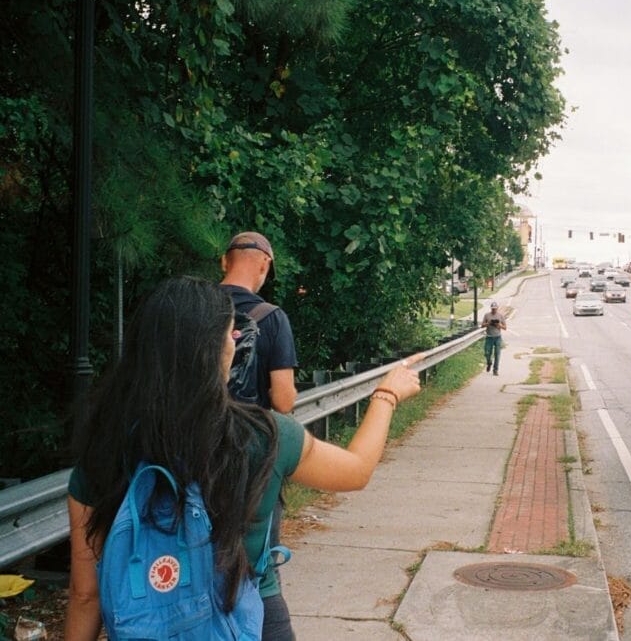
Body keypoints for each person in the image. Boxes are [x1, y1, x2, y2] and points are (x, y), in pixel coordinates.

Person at [65, 276, 423, 640]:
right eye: (230, 335)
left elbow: (85, 594)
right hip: (250, 625)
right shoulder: (263, 436)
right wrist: (386, 395)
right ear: (218, 350)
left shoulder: (104, 446)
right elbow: (356, 471)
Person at [221, 231, 297, 413]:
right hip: (245, 434)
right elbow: (283, 402)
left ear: (224, 262)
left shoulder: (193, 304)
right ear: (264, 265)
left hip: (191, 432)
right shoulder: (273, 318)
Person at [481, 301, 506, 376]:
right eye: (492, 309)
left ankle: (495, 370)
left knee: (497, 354)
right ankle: (489, 362)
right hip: (489, 337)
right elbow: (482, 325)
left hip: (497, 337)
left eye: (495, 309)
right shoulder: (487, 315)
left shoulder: (500, 316)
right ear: (491, 308)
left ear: (497, 308)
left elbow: (505, 327)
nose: (494, 310)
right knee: (487, 353)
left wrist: (499, 325)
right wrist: (488, 323)